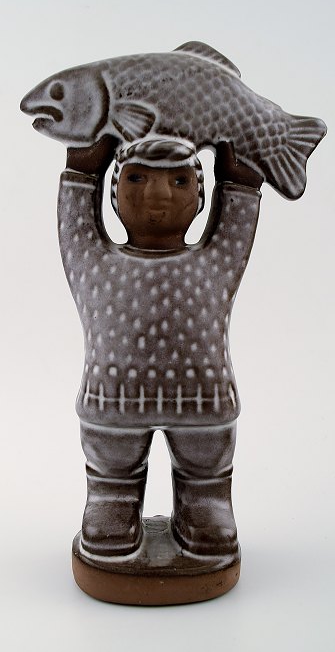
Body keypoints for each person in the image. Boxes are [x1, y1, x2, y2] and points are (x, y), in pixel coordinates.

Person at [57, 134, 262, 562]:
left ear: (202, 196)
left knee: (206, 476)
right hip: (114, 402)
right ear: (112, 191)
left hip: (202, 401)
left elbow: (237, 220)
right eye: (136, 178)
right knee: (112, 475)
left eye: (179, 181)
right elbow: (74, 224)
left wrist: (241, 176)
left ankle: (205, 507)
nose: (158, 195)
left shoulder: (217, 261)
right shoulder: (94, 261)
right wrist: (81, 168)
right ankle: (111, 504)